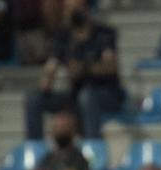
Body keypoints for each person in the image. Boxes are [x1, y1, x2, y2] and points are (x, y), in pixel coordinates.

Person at [23, 0, 123, 140]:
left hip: (105, 93)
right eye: (67, 9)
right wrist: (47, 80)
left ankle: (92, 145)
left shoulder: (103, 33)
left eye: (74, 8)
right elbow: (51, 65)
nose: (70, 12)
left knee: (86, 96)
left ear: (86, 9)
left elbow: (110, 66)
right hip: (75, 94)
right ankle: (34, 148)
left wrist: (84, 68)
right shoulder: (64, 37)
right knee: (34, 100)